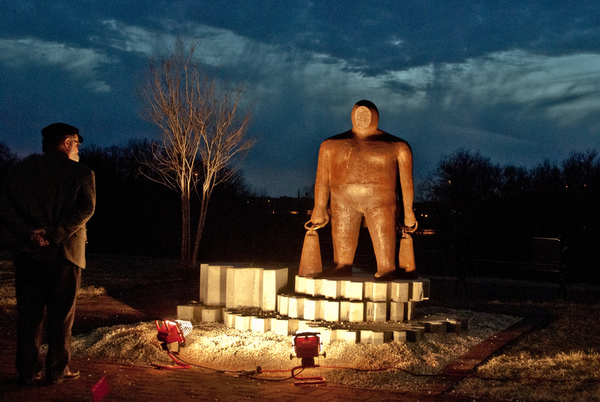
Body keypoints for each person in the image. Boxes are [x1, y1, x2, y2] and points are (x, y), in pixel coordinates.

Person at [0, 123, 96, 385]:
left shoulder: (20, 171)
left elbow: (6, 208)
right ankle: (57, 368)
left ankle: (27, 369)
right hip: (65, 255)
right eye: (76, 143)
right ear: (66, 143)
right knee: (61, 315)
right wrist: (54, 234)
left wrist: (29, 233)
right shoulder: (81, 172)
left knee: (29, 316)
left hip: (28, 254)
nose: (78, 148)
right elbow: (85, 209)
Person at [310, 100, 417, 280]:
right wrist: (319, 208)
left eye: (366, 114)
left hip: (381, 202)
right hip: (342, 201)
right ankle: (342, 265)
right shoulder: (331, 145)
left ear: (375, 116)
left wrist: (408, 212)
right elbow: (322, 180)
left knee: (385, 247)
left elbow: (406, 183)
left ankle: (386, 268)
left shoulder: (397, 146)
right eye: (358, 114)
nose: (362, 118)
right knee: (342, 247)